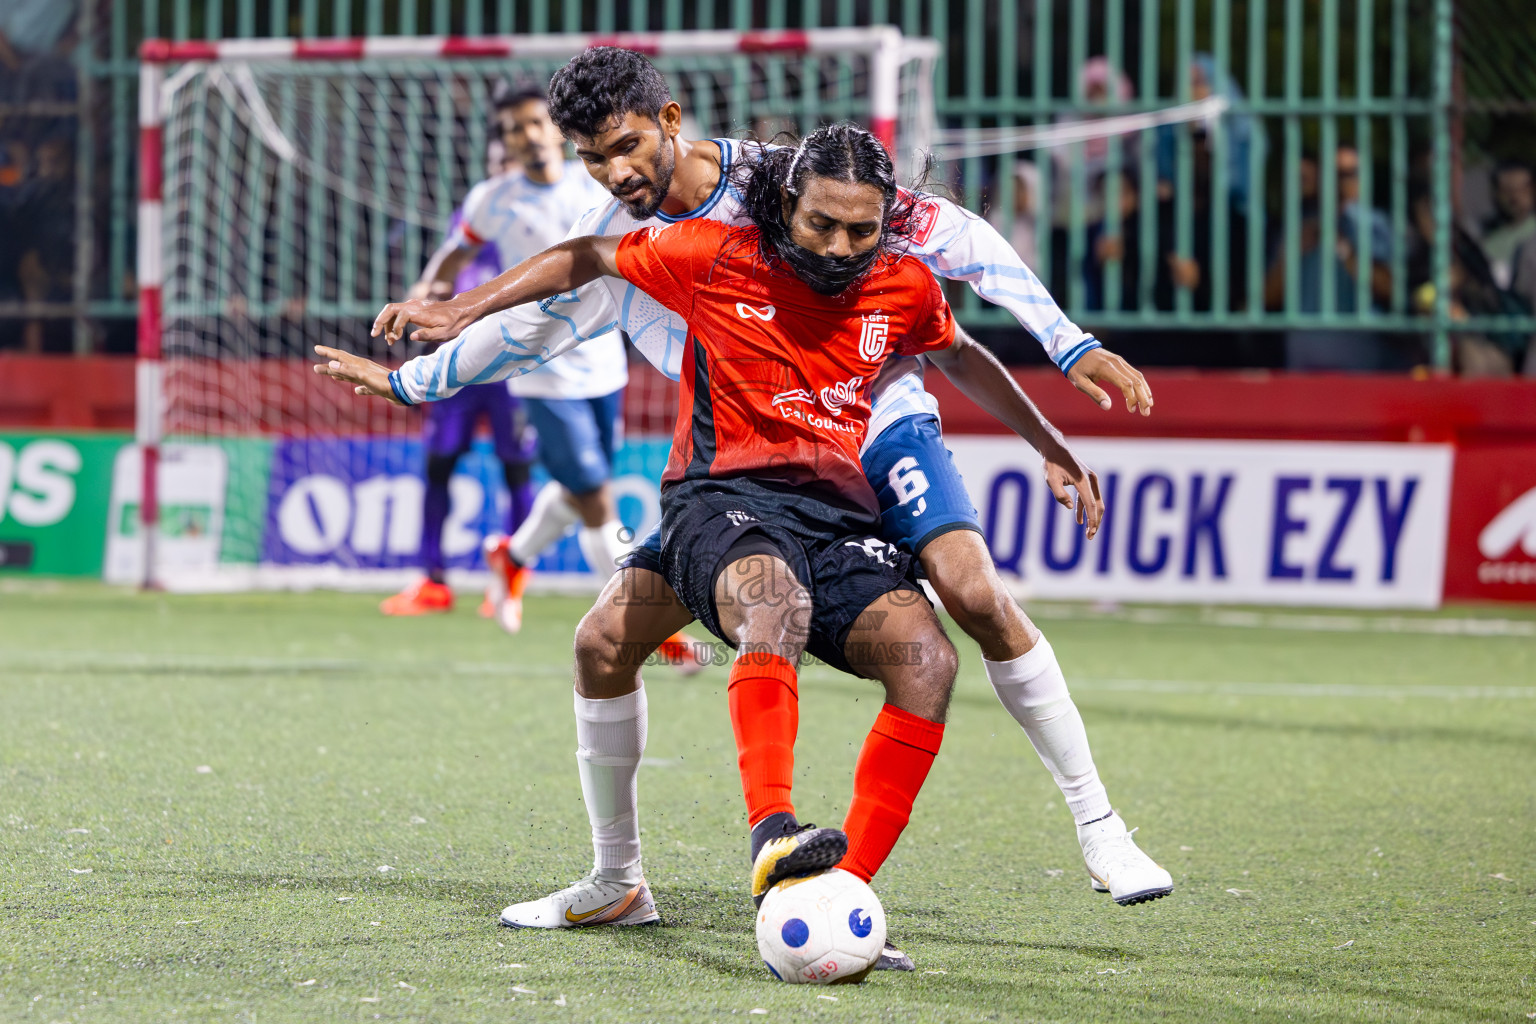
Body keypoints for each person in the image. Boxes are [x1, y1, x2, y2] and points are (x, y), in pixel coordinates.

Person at [318, 48, 1171, 965]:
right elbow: (543, 320)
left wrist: (1068, 346)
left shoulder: (793, 185)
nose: (616, 171)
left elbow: (958, 251)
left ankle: (1099, 828)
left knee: (971, 597)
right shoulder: (630, 238)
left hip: (873, 416)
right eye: (593, 156)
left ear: (672, 119)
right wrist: (422, 379)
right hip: (740, 461)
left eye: (627, 146)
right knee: (617, 638)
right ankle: (630, 879)